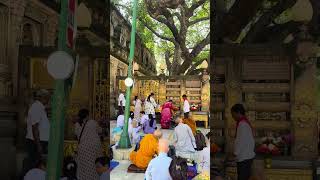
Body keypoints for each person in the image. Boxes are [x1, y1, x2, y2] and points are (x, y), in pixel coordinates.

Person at [25, 89, 50, 168]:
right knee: (33, 165)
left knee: (36, 165)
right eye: (48, 97)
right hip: (36, 143)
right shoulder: (36, 107)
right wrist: (39, 146)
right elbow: (34, 128)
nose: (49, 99)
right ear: (42, 97)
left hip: (39, 142)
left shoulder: (40, 107)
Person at [76, 109, 104, 180]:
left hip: (82, 148)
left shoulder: (77, 124)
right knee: (94, 167)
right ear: (87, 115)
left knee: (83, 168)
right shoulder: (92, 122)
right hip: (93, 148)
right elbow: (100, 130)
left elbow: (77, 135)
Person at [230, 104, 255, 180]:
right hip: (247, 156)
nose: (232, 116)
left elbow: (240, 141)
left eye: (233, 114)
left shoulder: (242, 124)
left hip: (244, 158)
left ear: (238, 112)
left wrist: (235, 153)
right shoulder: (244, 123)